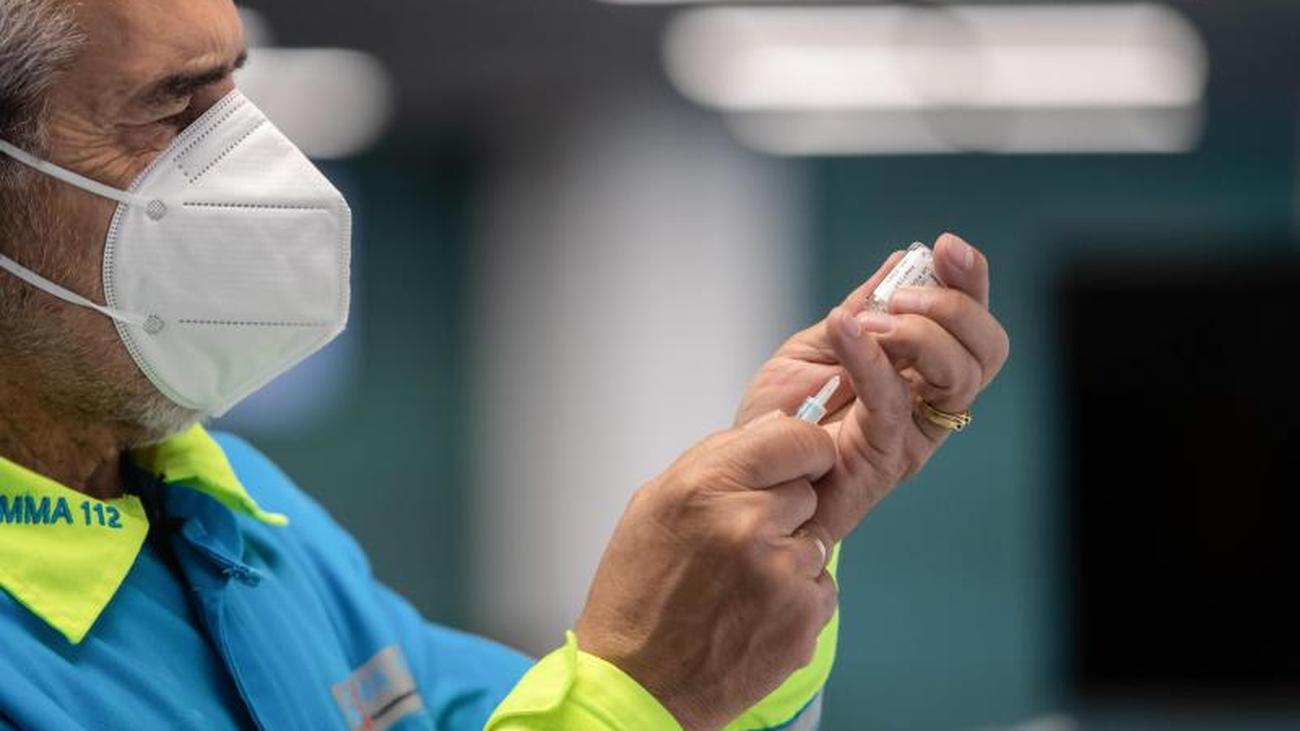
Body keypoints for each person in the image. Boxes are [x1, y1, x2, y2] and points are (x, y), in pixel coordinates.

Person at [0, 1, 1010, 729]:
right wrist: (636, 689)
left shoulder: (238, 521)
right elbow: (610, 705)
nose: (250, 162)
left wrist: (764, 537)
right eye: (173, 112)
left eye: (233, 96)